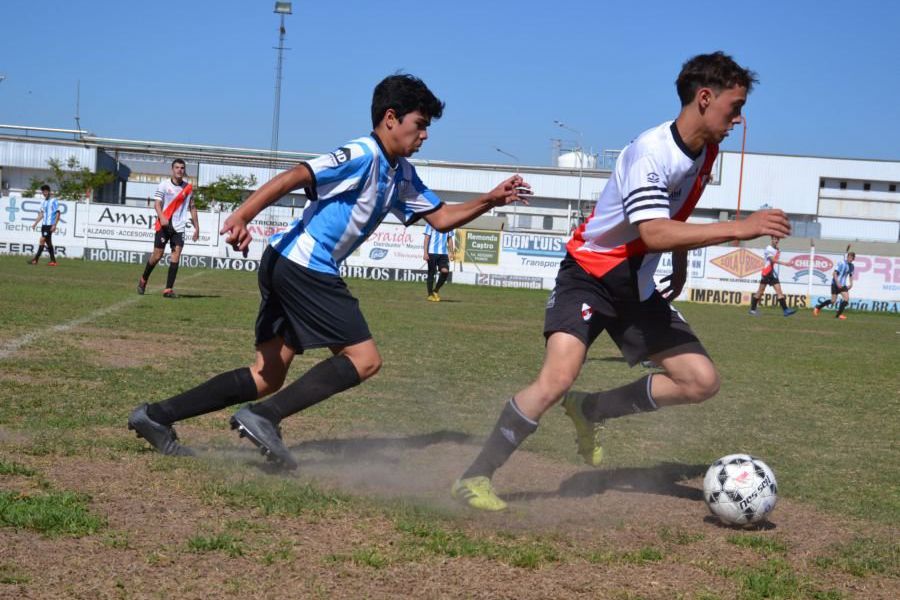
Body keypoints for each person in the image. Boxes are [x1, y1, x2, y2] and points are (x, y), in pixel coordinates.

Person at [127, 74, 532, 466]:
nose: (424, 135)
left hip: (284, 261)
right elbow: (295, 176)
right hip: (306, 264)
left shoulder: (401, 174)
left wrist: (491, 199)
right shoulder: (362, 154)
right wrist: (242, 215)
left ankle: (157, 416)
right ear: (391, 118)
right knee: (365, 359)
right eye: (420, 125)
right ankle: (264, 416)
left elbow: (441, 217)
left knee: (266, 376)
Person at [451, 51, 791, 511]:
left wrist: (681, 258)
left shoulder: (707, 150)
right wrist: (739, 228)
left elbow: (670, 220)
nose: (738, 119)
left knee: (700, 381)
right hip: (589, 275)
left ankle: (592, 409)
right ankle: (475, 476)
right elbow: (652, 229)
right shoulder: (650, 153)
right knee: (556, 379)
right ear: (705, 98)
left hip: (637, 284)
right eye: (735, 107)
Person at [136, 159, 199, 298]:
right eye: (177, 167)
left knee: (176, 256)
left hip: (179, 227)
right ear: (172, 169)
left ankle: (168, 289)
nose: (180, 170)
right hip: (164, 225)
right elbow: (157, 204)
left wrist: (197, 228)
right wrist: (162, 217)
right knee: (157, 256)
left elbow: (193, 208)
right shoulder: (164, 185)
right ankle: (143, 279)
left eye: (182, 168)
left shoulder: (188, 188)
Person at [748, 236, 797, 316]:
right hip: (767, 272)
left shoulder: (777, 249)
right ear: (771, 239)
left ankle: (786, 310)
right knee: (760, 292)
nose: (776, 240)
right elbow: (772, 260)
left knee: (779, 291)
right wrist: (785, 263)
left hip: (772, 273)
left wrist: (777, 250)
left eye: (777, 239)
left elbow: (775, 258)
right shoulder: (768, 249)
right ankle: (752, 310)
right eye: (774, 239)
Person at [813, 252, 855, 320]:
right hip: (835, 284)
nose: (850, 259)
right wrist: (837, 283)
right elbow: (834, 274)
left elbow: (850, 275)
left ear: (853, 259)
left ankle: (838, 315)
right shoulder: (841, 263)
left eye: (851, 258)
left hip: (842, 285)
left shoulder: (852, 266)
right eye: (849, 257)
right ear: (847, 257)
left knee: (846, 299)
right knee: (833, 301)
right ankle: (818, 307)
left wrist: (851, 284)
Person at [29, 184, 60, 266]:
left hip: (50, 225)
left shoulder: (54, 201)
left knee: (42, 240)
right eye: (43, 192)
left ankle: (35, 259)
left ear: (49, 191)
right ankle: (53, 261)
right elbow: (41, 214)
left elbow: (58, 213)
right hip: (44, 225)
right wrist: (35, 223)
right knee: (48, 242)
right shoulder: (43, 202)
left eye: (46, 191)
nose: (44, 193)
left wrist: (54, 225)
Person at [423, 222, 455, 301]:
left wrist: (451, 252)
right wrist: (425, 252)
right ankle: (430, 295)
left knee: (445, 271)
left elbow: (450, 239)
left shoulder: (448, 224)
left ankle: (435, 291)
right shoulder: (430, 224)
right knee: (431, 273)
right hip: (432, 253)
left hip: (443, 254)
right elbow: (427, 238)